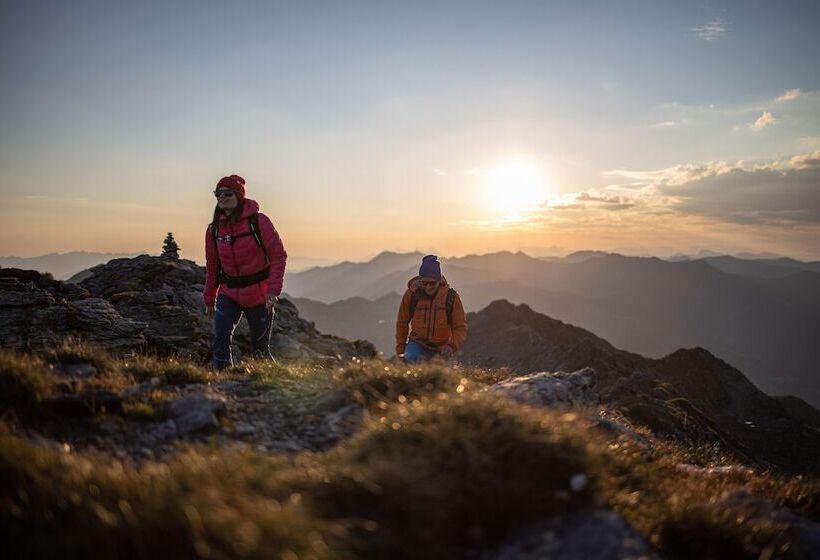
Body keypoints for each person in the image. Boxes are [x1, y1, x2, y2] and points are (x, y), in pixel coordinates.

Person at [203, 175, 287, 369]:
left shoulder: (258, 222)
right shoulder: (214, 230)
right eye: (218, 194)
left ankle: (266, 384)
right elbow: (213, 265)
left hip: (259, 295)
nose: (221, 198)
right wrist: (209, 297)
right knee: (220, 340)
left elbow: (278, 256)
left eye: (227, 193)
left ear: (239, 196)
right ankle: (222, 385)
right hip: (229, 293)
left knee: (260, 351)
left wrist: (273, 291)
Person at [395, 255, 467, 363]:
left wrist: (451, 346)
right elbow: (402, 322)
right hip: (417, 344)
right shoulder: (412, 295)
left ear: (439, 280)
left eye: (432, 283)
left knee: (439, 377)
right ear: (420, 281)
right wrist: (401, 351)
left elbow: (460, 327)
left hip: (442, 349)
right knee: (412, 359)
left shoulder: (451, 298)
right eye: (424, 283)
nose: (428, 287)